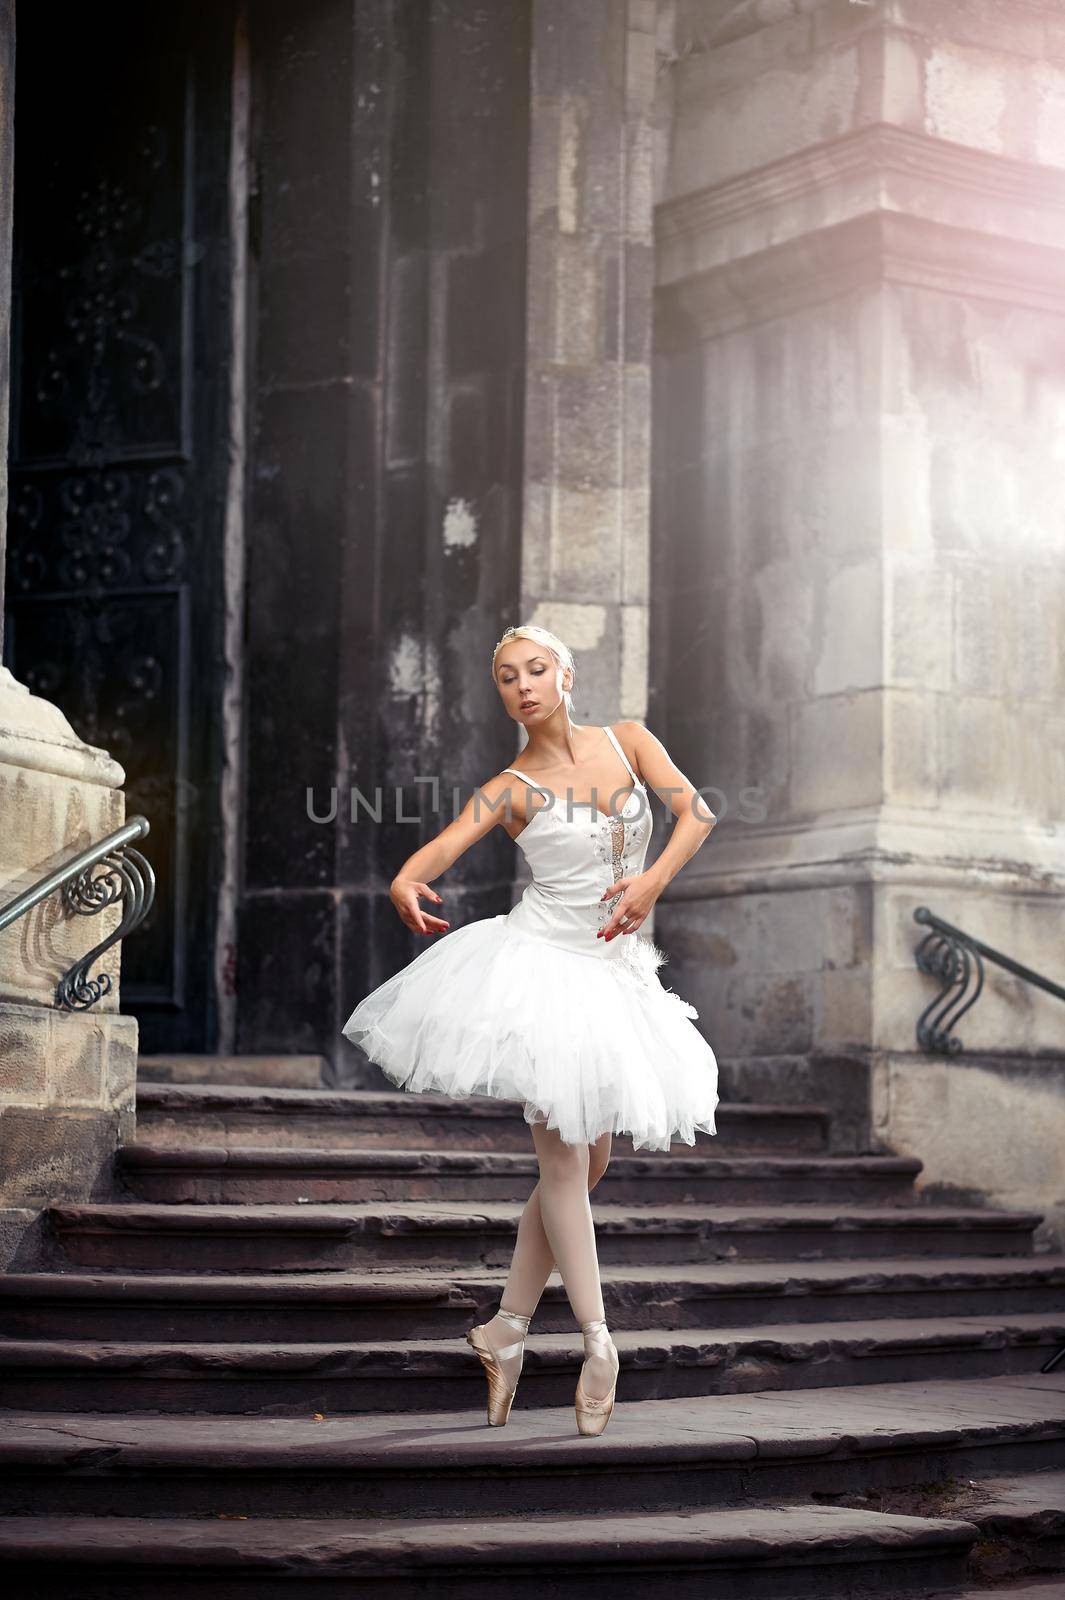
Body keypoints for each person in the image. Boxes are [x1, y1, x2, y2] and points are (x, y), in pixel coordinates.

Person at [341, 623, 719, 1436]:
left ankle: (505, 1329)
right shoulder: (509, 785)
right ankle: (597, 1342)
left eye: (535, 669)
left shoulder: (628, 741)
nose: (522, 685)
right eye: (507, 676)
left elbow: (696, 816)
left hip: (615, 976)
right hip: (540, 973)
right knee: (562, 1160)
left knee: (586, 1170)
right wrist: (406, 879)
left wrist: (650, 884)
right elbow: (439, 847)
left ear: (566, 675)